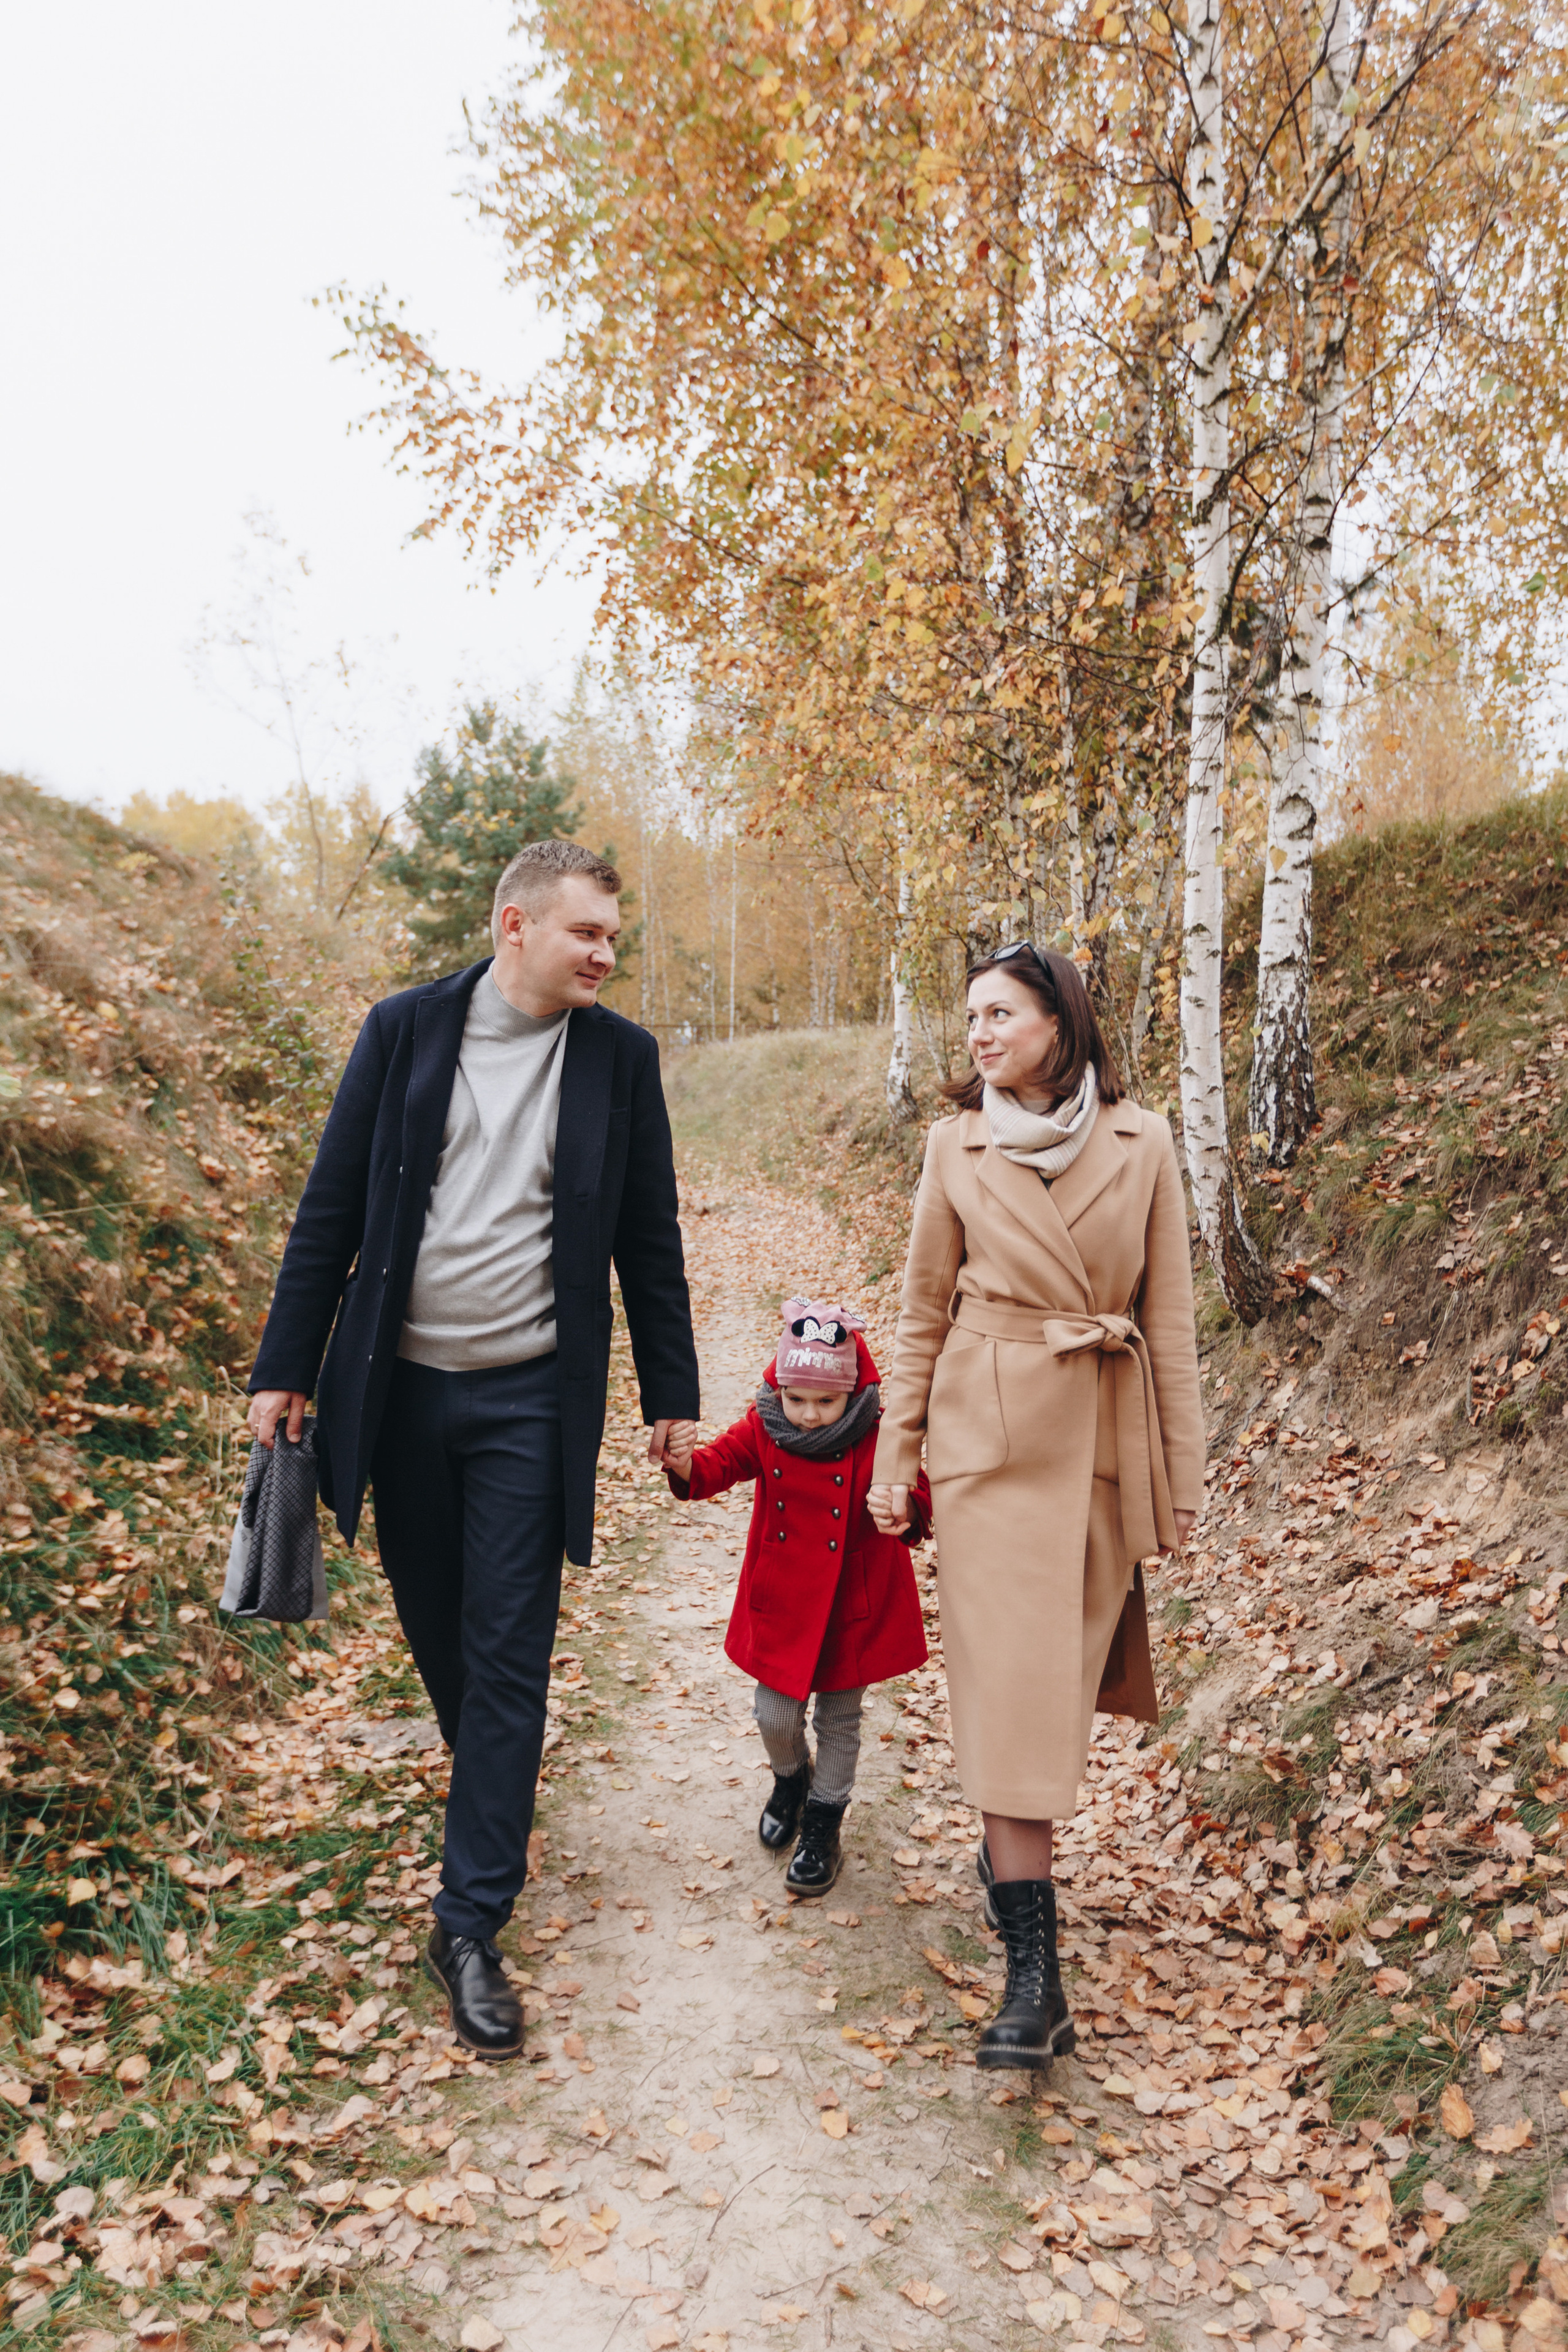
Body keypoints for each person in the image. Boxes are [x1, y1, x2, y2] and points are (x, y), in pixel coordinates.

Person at [245, 840, 699, 2058]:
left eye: (612, 934)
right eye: (586, 933)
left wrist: (671, 1393)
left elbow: (646, 1240)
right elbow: (330, 1208)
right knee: (442, 1632)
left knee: (510, 1652)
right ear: (515, 926)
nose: (606, 952)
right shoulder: (402, 1032)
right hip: (395, 1399)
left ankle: (469, 1924)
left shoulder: (619, 1059)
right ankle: (489, 1797)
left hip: (527, 1405)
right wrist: (284, 1370)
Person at [868, 944, 1203, 2071]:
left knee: (1057, 1699)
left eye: (1000, 1012)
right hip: (989, 1448)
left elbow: (1172, 1323)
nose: (978, 1032)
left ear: (1060, 1022)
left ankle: (1011, 1870)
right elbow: (920, 1313)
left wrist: (1180, 1477)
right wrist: (893, 1459)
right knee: (1013, 1704)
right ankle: (1034, 1979)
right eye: (969, 1015)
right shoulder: (952, 1146)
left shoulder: (1142, 1141)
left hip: (1104, 1443)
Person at [663, 1301, 932, 1897]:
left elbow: (919, 1492)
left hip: (850, 1606)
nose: (809, 1416)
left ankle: (822, 1827)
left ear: (852, 1394)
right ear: (779, 1387)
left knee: (840, 1721)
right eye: (798, 1399)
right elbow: (715, 1467)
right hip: (782, 1601)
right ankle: (791, 1779)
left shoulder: (879, 1432)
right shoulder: (766, 1425)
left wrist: (906, 1506)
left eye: (826, 1402)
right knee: (774, 1714)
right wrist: (683, 1464)